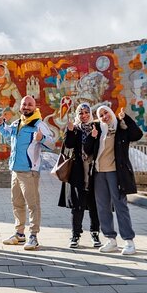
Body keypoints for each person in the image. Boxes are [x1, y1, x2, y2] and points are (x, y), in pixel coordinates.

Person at [0, 96, 54, 250]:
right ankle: (19, 234)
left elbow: (51, 144)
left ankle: (33, 236)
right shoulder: (18, 122)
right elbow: (9, 135)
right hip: (15, 170)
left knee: (33, 205)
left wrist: (41, 139)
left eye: (30, 105)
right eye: (24, 104)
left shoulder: (39, 124)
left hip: (29, 172)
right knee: (17, 203)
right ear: (20, 107)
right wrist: (1, 126)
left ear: (35, 107)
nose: (26, 107)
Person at [93, 105, 143, 255]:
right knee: (102, 207)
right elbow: (89, 150)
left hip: (116, 172)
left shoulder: (121, 128)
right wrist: (92, 137)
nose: (104, 116)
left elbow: (137, 135)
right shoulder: (99, 130)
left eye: (106, 113)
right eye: (101, 115)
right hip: (99, 172)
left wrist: (126, 118)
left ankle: (129, 241)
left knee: (120, 205)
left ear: (111, 113)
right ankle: (111, 240)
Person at [57, 103, 102, 248]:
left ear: (91, 113)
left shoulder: (97, 128)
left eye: (86, 112)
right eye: (81, 113)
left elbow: (90, 149)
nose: (84, 116)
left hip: (94, 171)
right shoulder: (75, 128)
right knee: (77, 205)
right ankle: (75, 235)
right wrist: (69, 131)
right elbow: (68, 145)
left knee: (94, 204)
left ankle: (95, 233)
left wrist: (93, 137)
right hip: (77, 172)